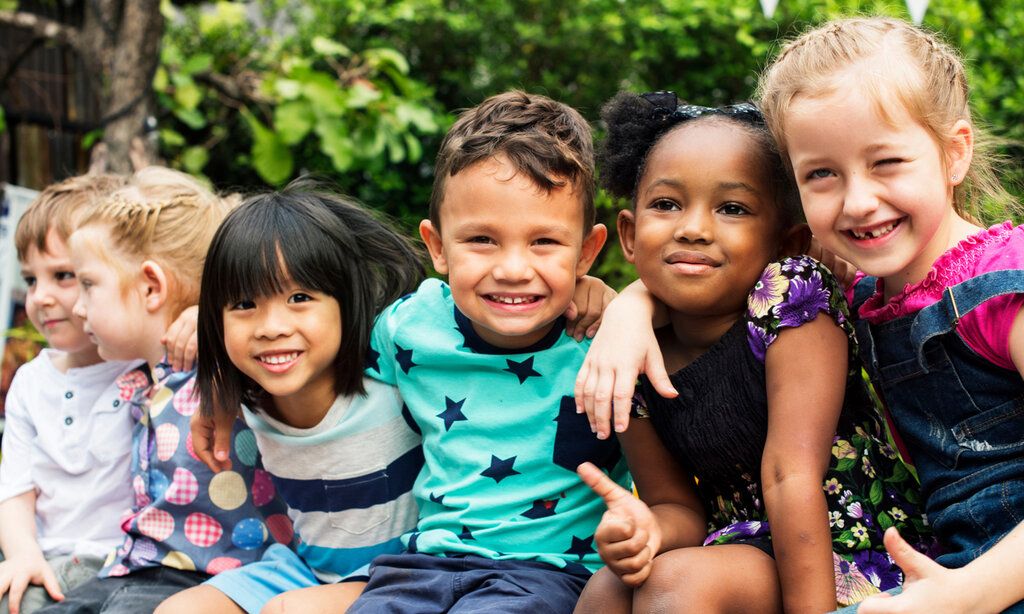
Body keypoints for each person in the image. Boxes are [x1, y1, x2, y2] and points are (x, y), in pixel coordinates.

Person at [571, 91, 932, 613]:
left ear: (786, 241)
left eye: (732, 208)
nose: (692, 228)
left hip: (846, 549)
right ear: (629, 234)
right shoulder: (626, 357)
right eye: (667, 204)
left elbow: (791, 474)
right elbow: (678, 507)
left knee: (678, 584)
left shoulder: (792, 295)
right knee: (607, 587)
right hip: (737, 547)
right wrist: (644, 532)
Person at [756, 16, 1024, 614]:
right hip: (948, 573)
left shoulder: (1005, 286)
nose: (857, 201)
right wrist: (628, 308)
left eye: (887, 163)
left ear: (953, 154)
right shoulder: (861, 293)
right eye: (821, 174)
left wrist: (964, 599)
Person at [334, 90, 629, 613]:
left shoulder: (607, 341)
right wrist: (209, 335)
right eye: (482, 240)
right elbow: (309, 357)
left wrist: (632, 305)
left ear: (587, 251)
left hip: (550, 576)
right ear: (438, 247)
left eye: (544, 242)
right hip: (424, 565)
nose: (513, 268)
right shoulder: (408, 326)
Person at [155, 183, 426, 614]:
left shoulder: (394, 373)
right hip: (305, 569)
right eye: (245, 303)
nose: (271, 326)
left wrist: (576, 294)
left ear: (345, 300)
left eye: (300, 298)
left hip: (410, 572)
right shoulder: (249, 395)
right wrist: (219, 388)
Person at [35, 167, 287, 614]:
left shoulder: (227, 360)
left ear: (152, 286)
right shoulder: (140, 379)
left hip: (216, 576)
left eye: (88, 284)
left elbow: (272, 323)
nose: (77, 305)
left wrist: (207, 320)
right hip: (138, 567)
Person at [0, 175, 201, 614]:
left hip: (120, 560)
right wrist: (22, 555)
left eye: (67, 277)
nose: (43, 298)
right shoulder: (31, 382)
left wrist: (197, 317)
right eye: (31, 280)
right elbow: (14, 487)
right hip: (39, 553)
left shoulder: (149, 362)